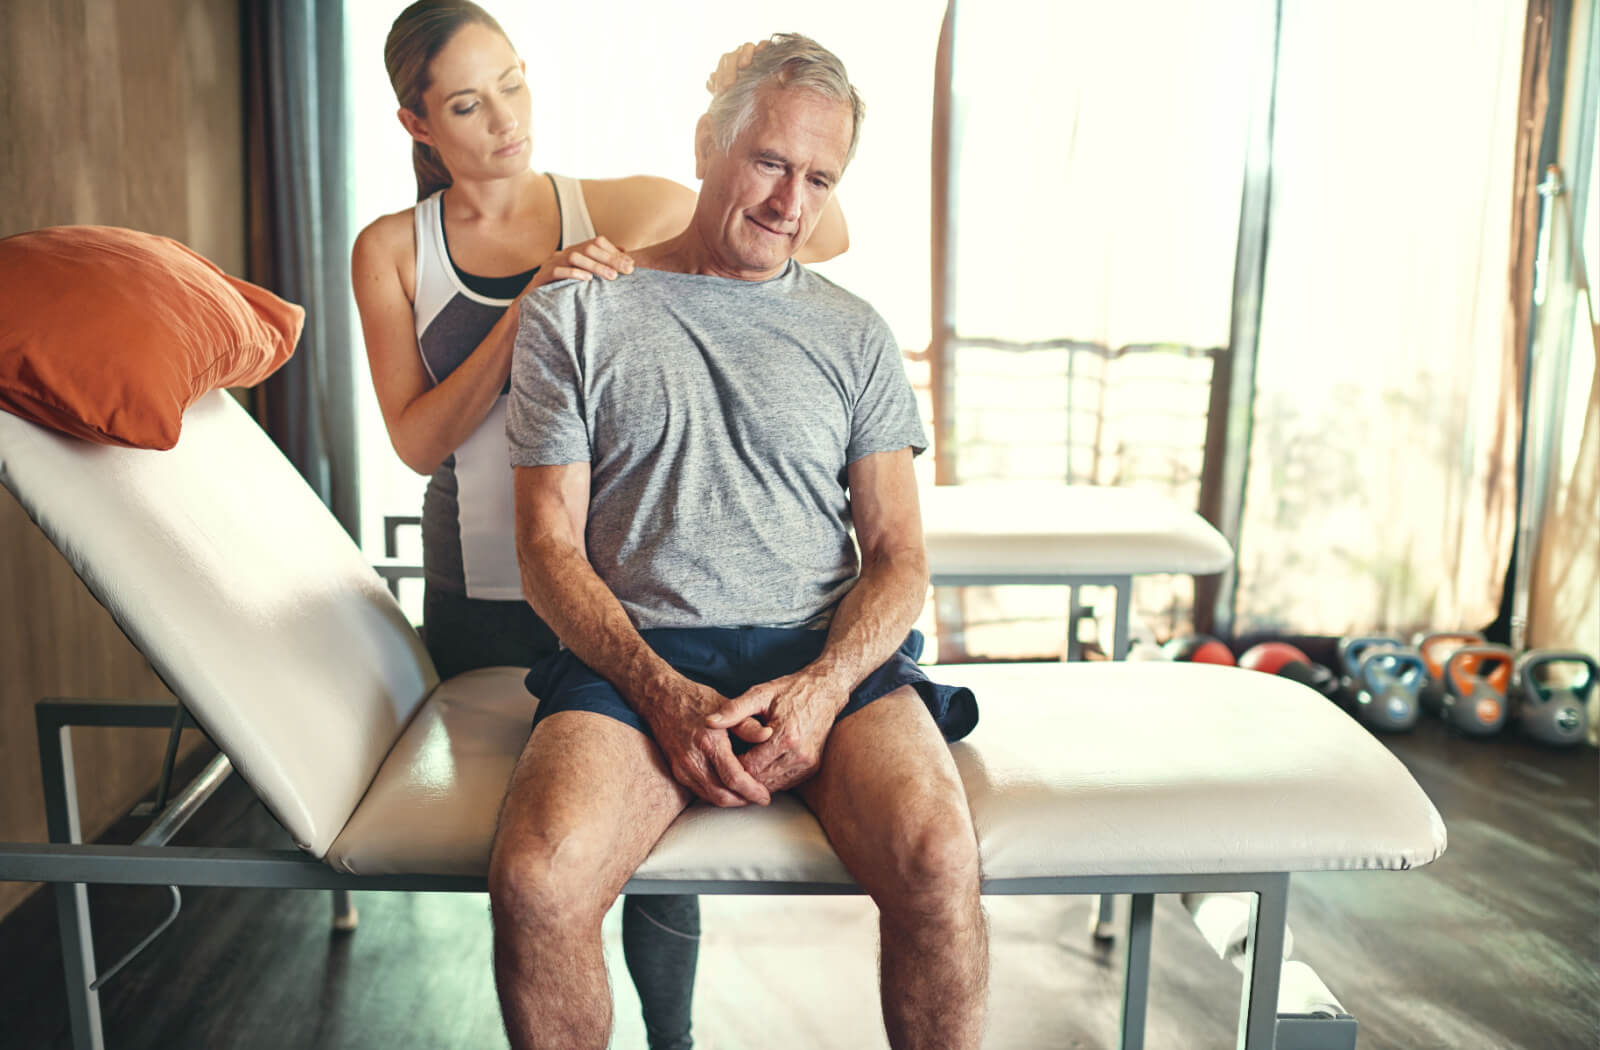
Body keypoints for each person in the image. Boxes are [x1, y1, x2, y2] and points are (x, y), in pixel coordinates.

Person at [350, 5, 847, 1048]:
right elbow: (413, 438)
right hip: (483, 597)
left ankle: (674, 1036)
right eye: (467, 103)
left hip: (612, 590)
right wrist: (535, 302)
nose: (504, 120)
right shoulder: (394, 249)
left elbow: (815, 224)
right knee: (541, 851)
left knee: (659, 840)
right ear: (416, 123)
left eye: (515, 83)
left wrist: (741, 105)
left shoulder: (611, 204)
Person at [494, 32, 987, 1050]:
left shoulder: (853, 332)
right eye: (769, 162)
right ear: (708, 143)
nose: (788, 204)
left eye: (819, 178)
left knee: (939, 859)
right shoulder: (576, 314)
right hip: (639, 656)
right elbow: (547, 549)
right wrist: (660, 693)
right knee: (537, 882)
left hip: (825, 657)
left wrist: (819, 690)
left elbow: (898, 558)